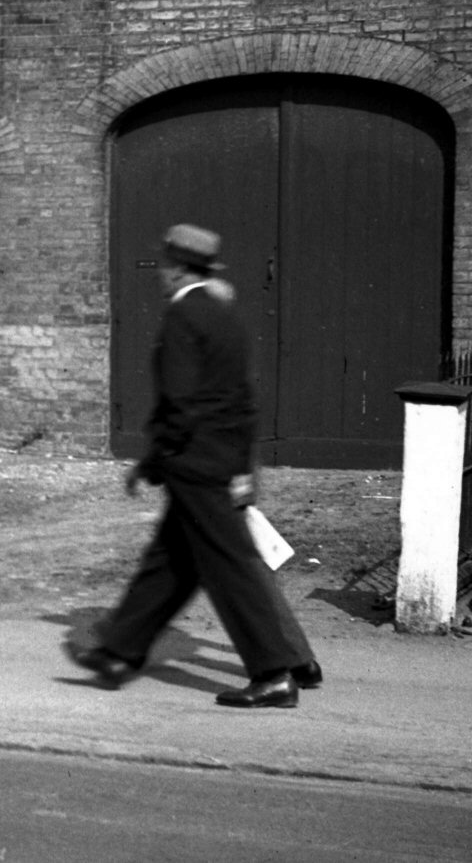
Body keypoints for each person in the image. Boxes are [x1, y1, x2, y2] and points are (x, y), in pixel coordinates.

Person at [69, 223, 320, 707]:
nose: (161, 274)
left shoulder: (184, 317)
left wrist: (154, 459)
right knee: (171, 563)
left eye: (165, 265)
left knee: (230, 570)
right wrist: (242, 464)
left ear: (176, 268)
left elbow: (180, 403)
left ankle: (273, 673)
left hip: (196, 464)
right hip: (220, 461)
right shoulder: (225, 316)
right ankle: (119, 652)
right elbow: (244, 398)